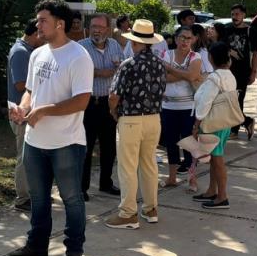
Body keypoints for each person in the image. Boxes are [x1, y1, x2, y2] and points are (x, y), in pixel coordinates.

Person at [7, 0, 93, 256]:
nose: (38, 25)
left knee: (72, 199)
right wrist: (24, 107)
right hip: (35, 141)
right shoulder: (37, 54)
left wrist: (45, 110)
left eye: (43, 20)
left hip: (66, 142)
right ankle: (36, 245)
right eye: (38, 19)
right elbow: (31, 91)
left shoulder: (78, 56)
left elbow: (81, 101)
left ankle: (74, 252)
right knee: (39, 198)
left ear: (60, 24)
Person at [106, 19, 167, 229]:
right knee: (149, 164)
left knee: (127, 167)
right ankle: (151, 208)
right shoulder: (160, 64)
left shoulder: (128, 64)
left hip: (131, 118)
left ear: (134, 43)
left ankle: (127, 213)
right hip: (154, 119)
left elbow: (114, 95)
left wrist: (113, 110)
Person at [78, 13, 123, 201]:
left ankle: (106, 182)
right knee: (85, 148)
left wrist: (115, 70)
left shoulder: (114, 45)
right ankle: (82, 188)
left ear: (108, 29)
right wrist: (98, 72)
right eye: (93, 26)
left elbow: (122, 68)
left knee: (109, 146)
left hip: (109, 103)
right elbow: (78, 71)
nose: (96, 30)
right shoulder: (81, 47)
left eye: (100, 27)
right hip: (89, 103)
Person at [192, 42, 237, 210]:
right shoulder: (229, 75)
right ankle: (212, 190)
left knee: (217, 161)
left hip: (212, 124)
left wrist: (196, 124)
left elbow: (205, 104)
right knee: (214, 159)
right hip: (223, 122)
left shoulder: (214, 78)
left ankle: (222, 196)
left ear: (211, 58)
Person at [7, 20, 43, 212]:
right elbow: (21, 85)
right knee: (24, 156)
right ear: (35, 34)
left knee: (32, 155)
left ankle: (33, 194)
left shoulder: (27, 50)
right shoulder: (21, 52)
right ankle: (22, 198)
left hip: (27, 112)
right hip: (20, 111)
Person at [159, 26, 202, 187]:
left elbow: (193, 75)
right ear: (176, 39)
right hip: (168, 106)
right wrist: (184, 73)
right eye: (182, 37)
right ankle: (172, 177)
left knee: (189, 142)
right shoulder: (166, 54)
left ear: (193, 40)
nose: (185, 41)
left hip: (188, 107)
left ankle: (192, 177)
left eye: (188, 38)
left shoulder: (195, 56)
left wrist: (171, 69)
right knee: (171, 142)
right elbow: (162, 78)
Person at [220, 4, 256, 139]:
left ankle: (235, 129)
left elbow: (255, 53)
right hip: (227, 70)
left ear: (243, 15)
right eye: (233, 14)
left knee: (238, 99)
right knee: (228, 100)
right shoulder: (226, 29)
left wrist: (253, 72)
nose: (235, 17)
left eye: (237, 14)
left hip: (243, 71)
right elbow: (221, 46)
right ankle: (246, 122)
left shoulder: (250, 31)